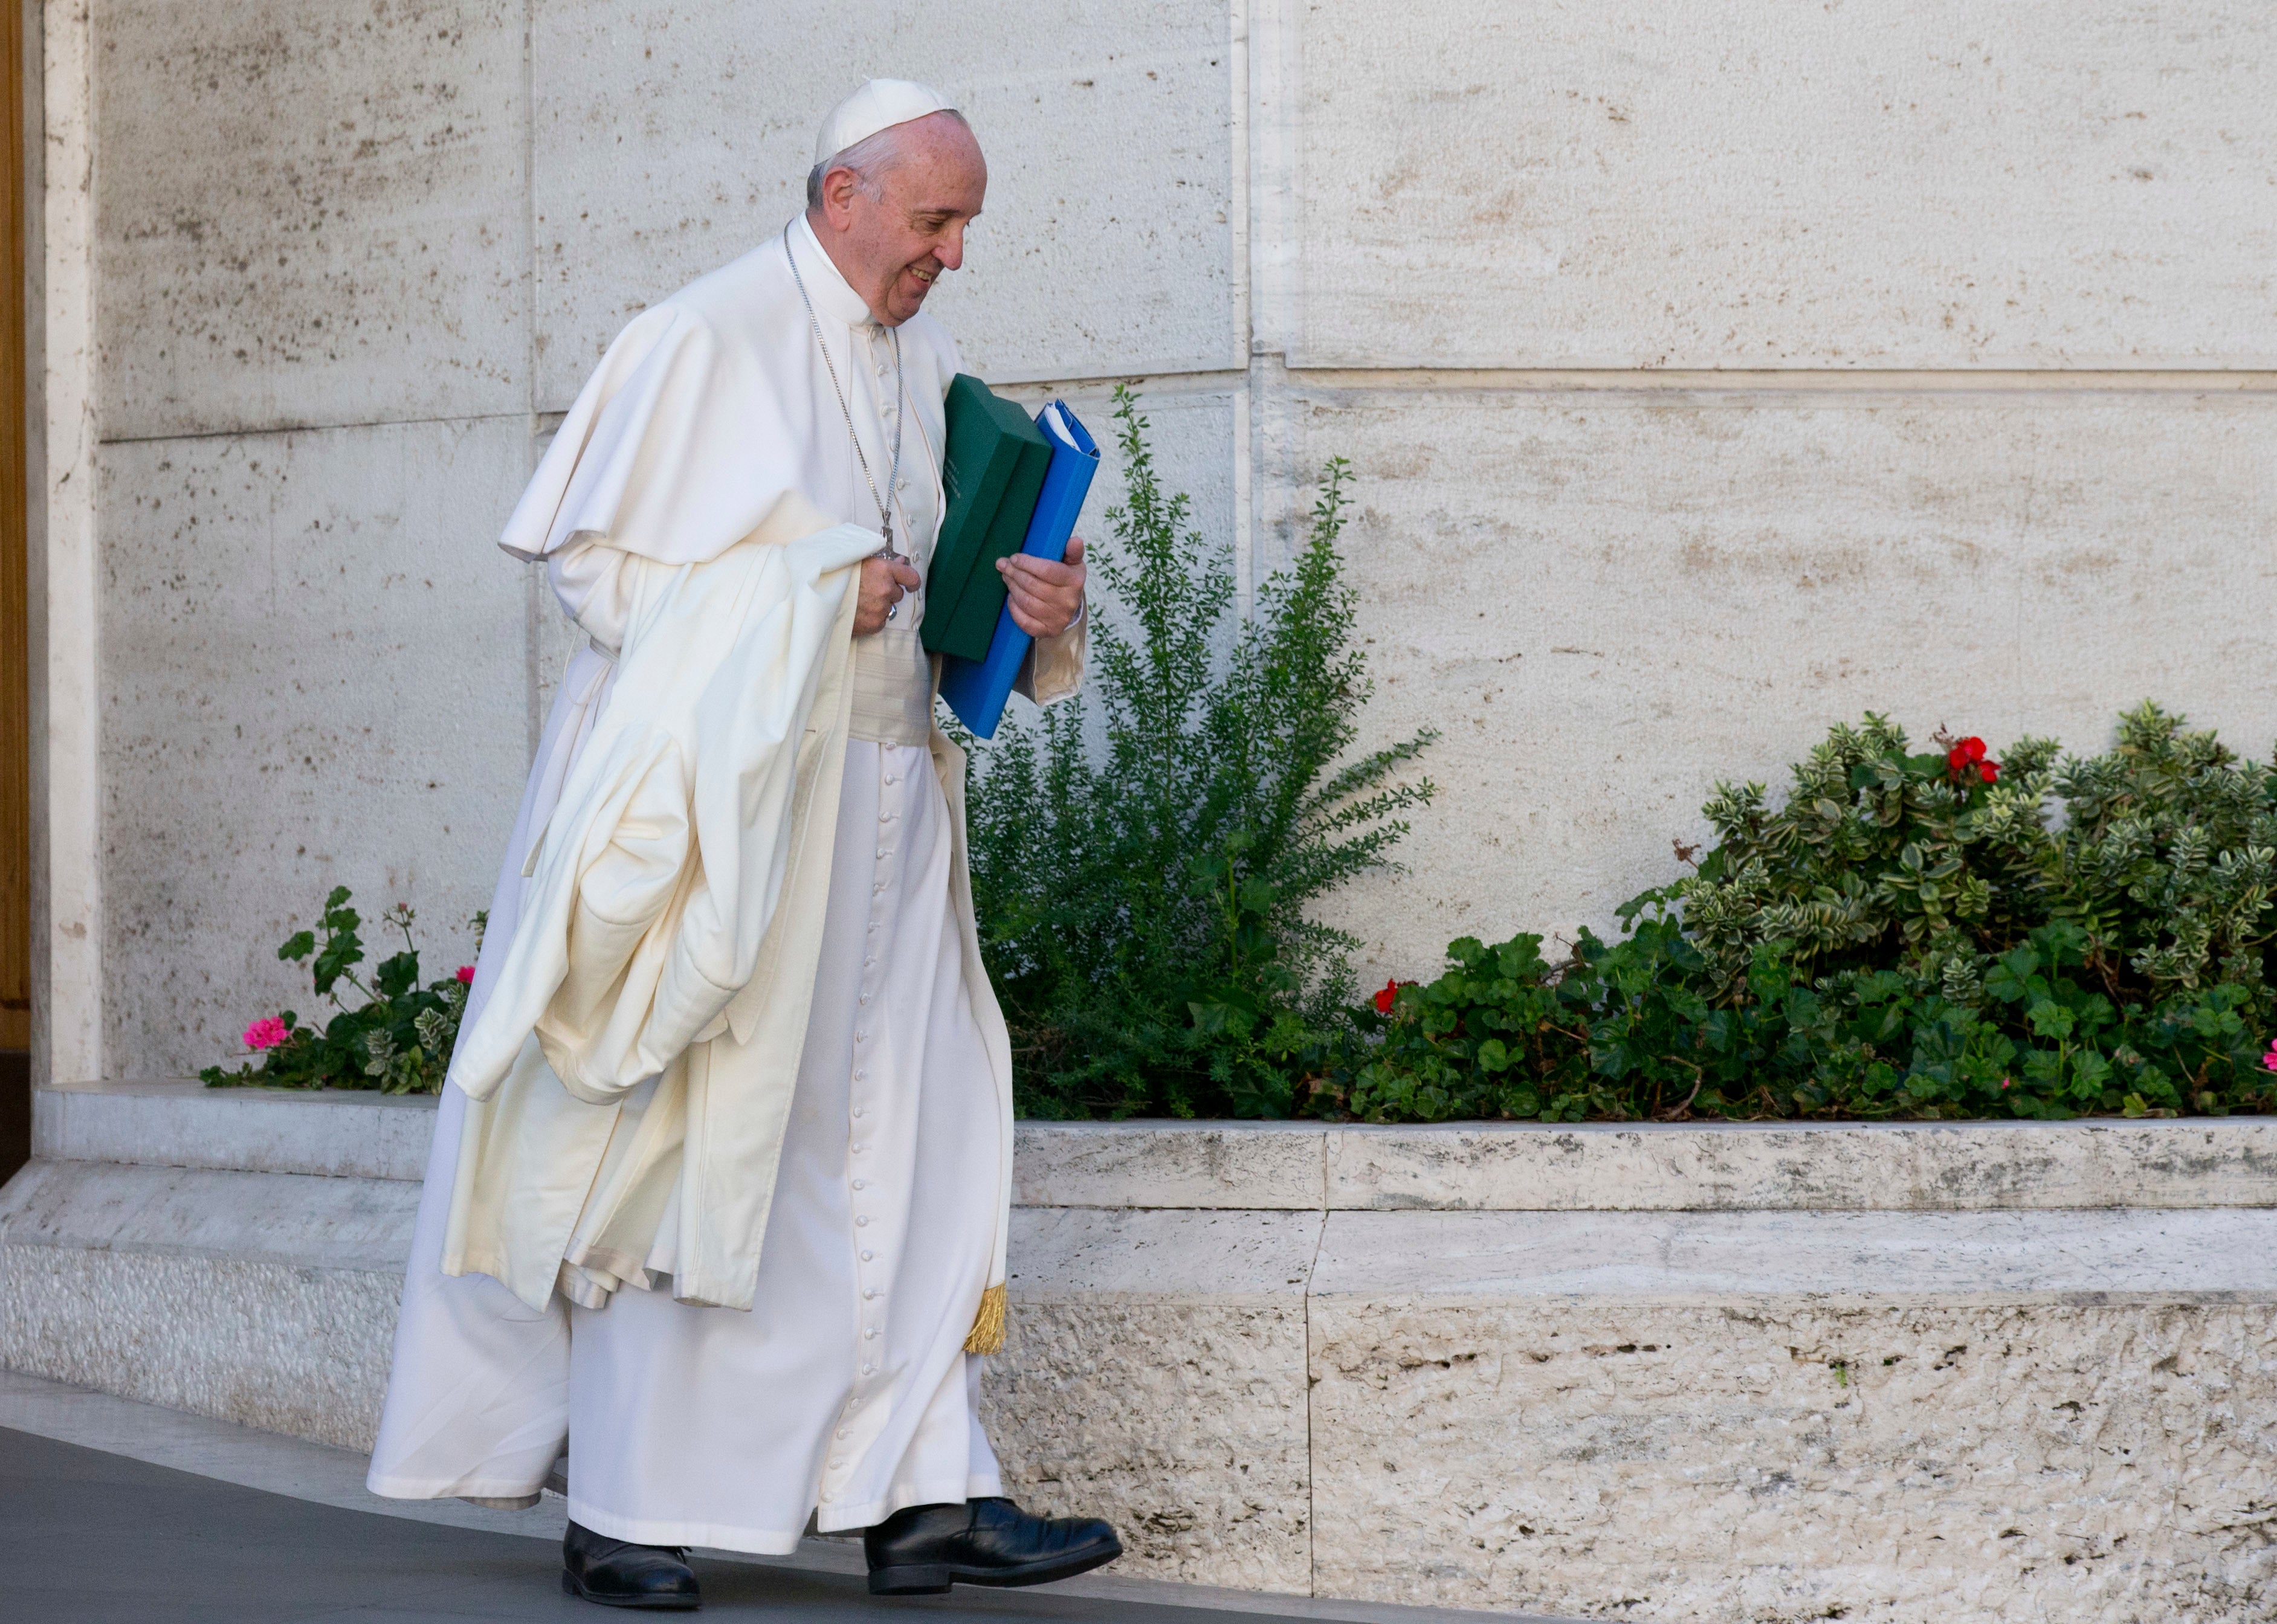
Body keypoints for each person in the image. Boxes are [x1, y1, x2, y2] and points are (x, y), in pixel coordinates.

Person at [364, 79, 1120, 1611]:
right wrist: (810, 594)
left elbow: (943, 587)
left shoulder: (927, 357)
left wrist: (1040, 603)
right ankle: (628, 1509)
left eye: (965, 225)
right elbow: (596, 580)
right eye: (935, 221)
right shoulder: (699, 337)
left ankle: (923, 1495)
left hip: (896, 809)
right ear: (845, 194)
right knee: (694, 1146)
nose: (953, 256)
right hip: (726, 819)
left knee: (911, 1141)